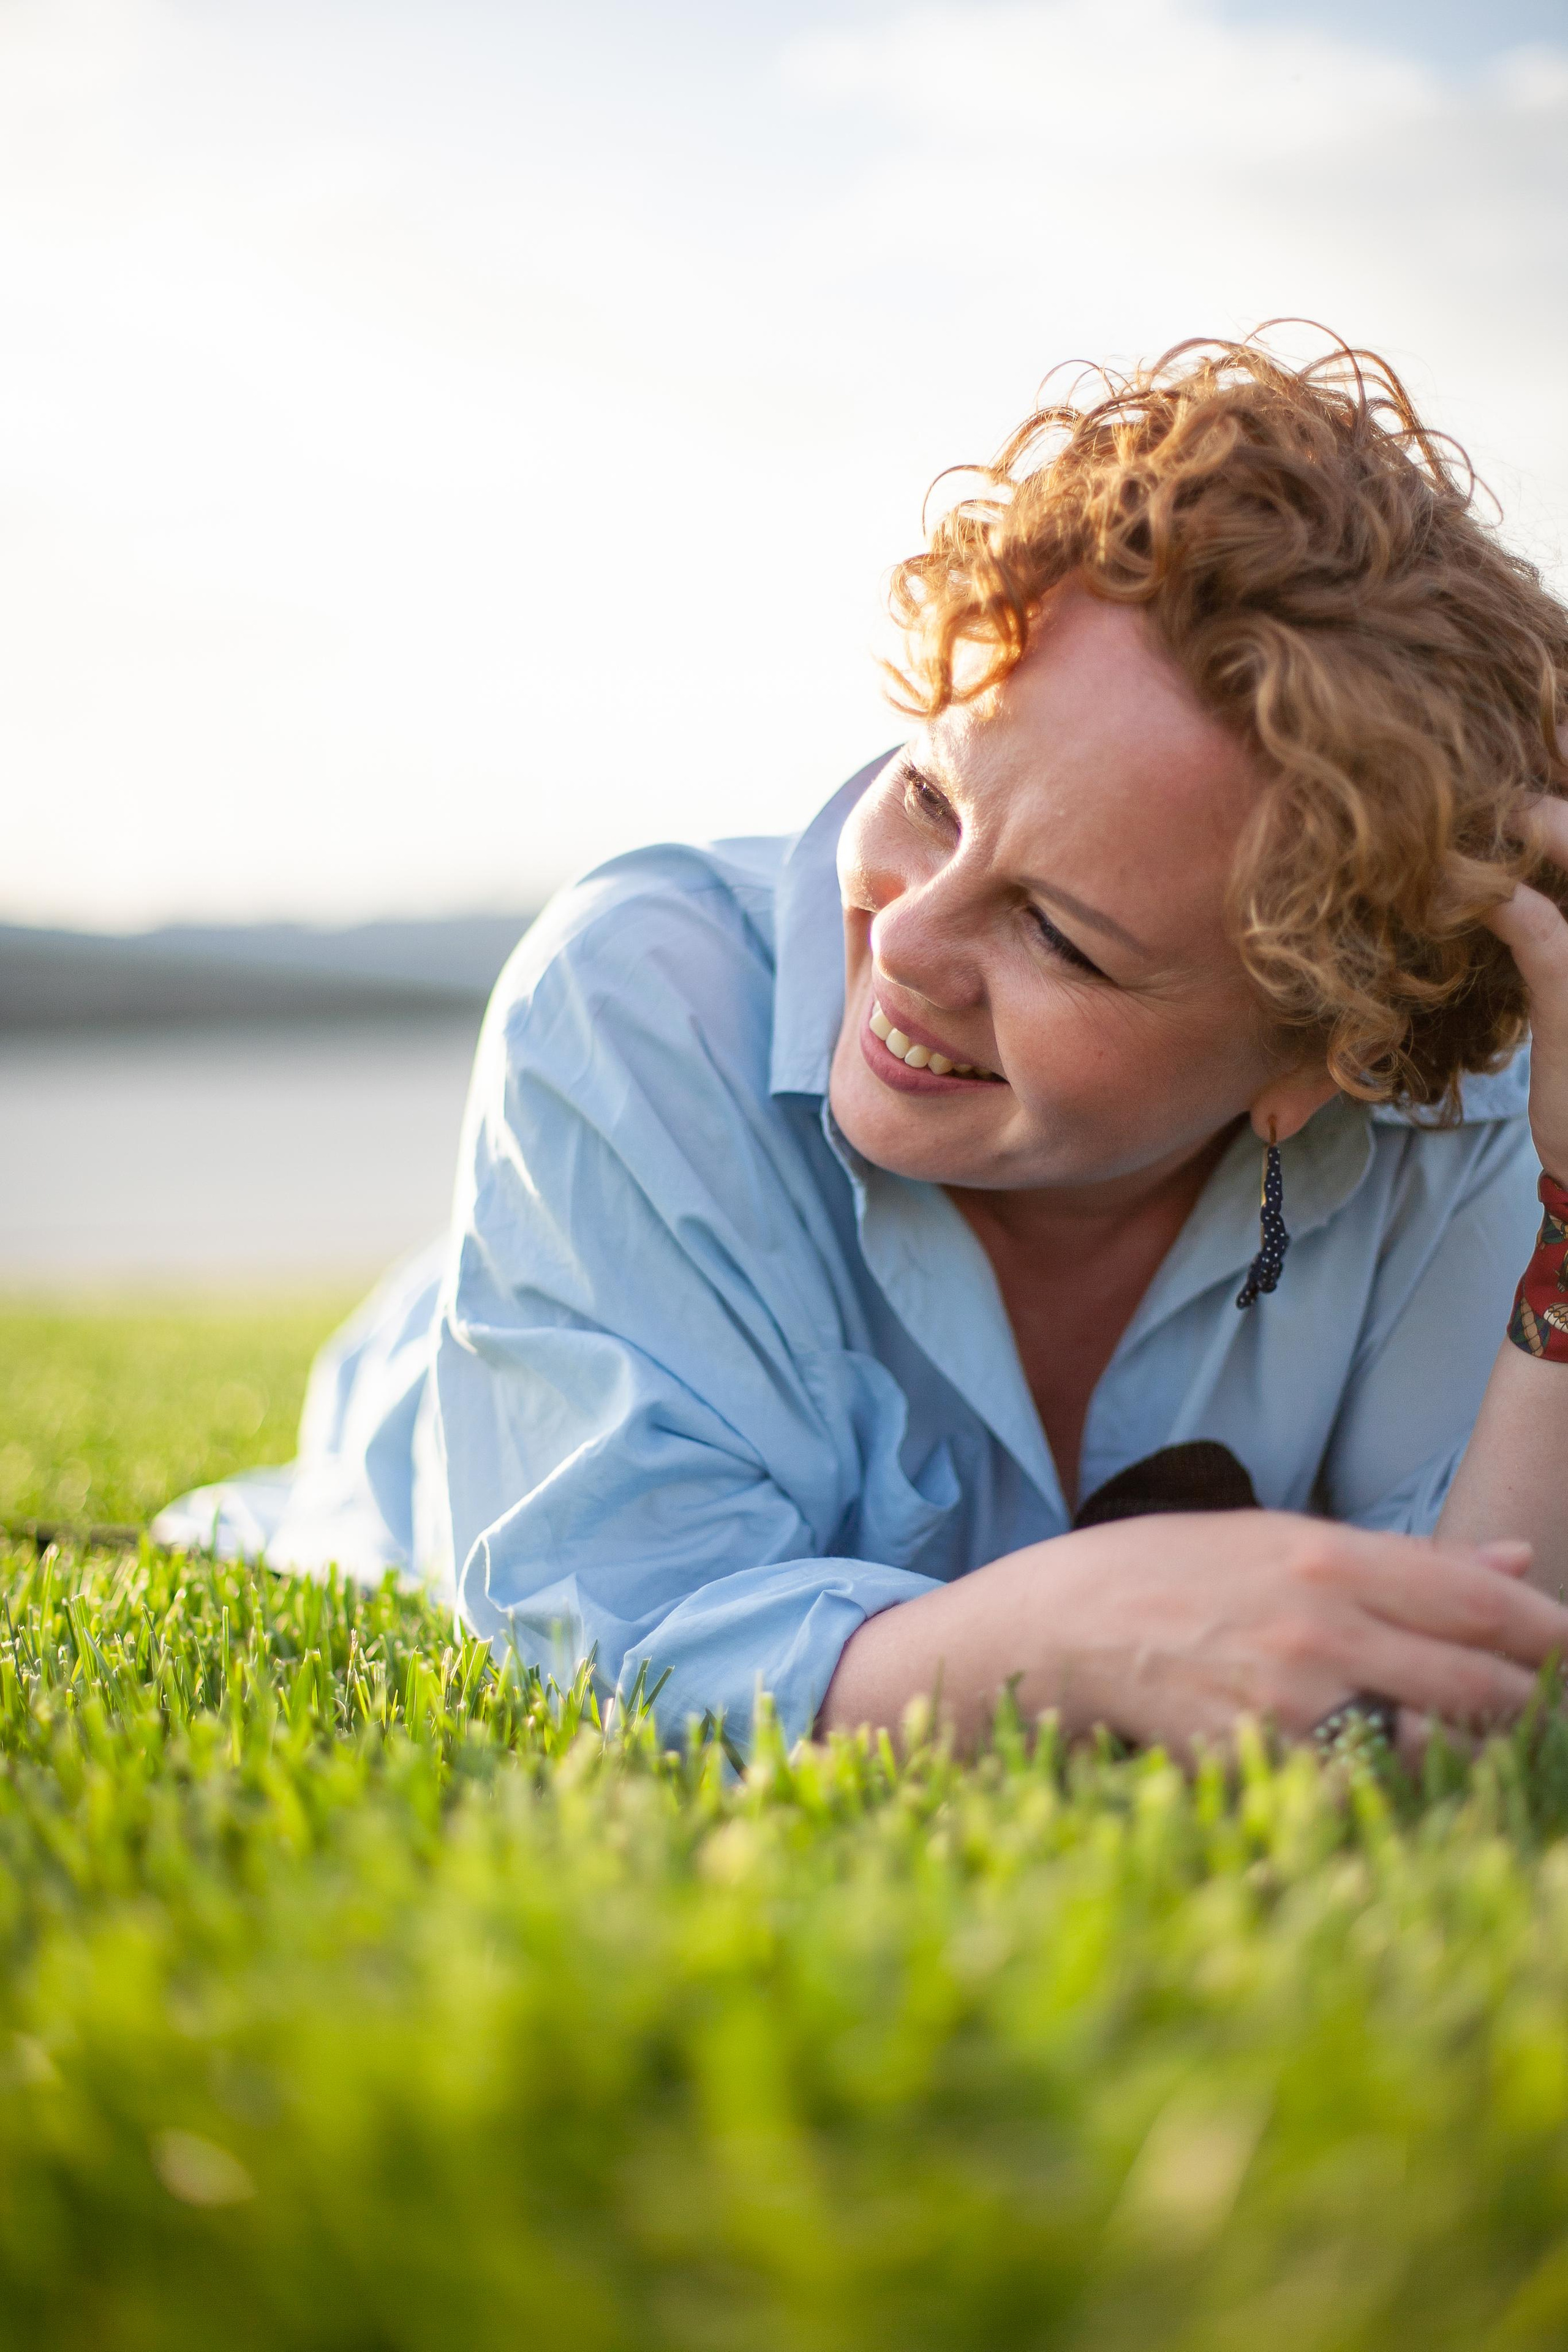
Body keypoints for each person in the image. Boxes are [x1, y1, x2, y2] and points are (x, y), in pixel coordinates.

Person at [158, 333, 1568, 1761]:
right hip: (468, 1401)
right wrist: (1057, 1635)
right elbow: (599, 1634)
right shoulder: (638, 998)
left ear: (1311, 1069)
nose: (899, 943)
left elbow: (1469, 1683)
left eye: (1059, 938)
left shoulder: (1456, 1115)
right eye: (932, 799)